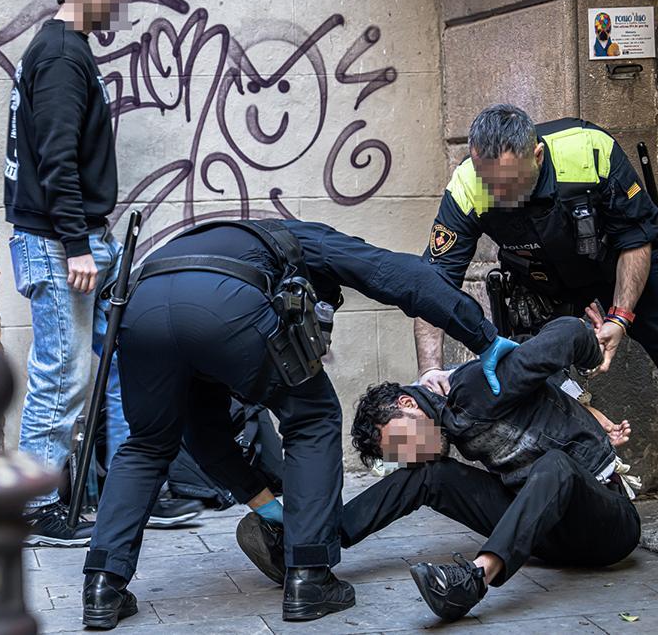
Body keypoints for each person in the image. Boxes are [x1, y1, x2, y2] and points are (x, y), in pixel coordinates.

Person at [80, 217, 519, 629]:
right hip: (225, 302)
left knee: (146, 445)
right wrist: (483, 337)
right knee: (312, 417)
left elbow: (204, 434)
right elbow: (402, 275)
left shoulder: (237, 242)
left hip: (141, 307)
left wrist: (264, 503)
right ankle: (310, 577)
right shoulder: (309, 241)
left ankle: (102, 587)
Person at [413, 104, 658, 516]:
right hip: (541, 276)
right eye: (490, 184)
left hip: (621, 259)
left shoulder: (589, 150)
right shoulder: (467, 184)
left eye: (510, 184)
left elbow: (636, 239)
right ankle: (538, 492)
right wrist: (430, 371)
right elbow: (432, 286)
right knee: (526, 378)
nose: (500, 196)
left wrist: (620, 316)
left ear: (538, 156)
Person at [236, 316, 640, 622]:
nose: (405, 455)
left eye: (398, 443)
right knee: (431, 474)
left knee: (555, 465)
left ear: (409, 405)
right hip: (543, 532)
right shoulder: (443, 411)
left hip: (606, 523)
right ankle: (308, 545)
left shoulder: (482, 386)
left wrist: (593, 359)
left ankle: (475, 579)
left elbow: (569, 332)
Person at [5, 0, 199, 547]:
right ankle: (35, 505)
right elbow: (57, 160)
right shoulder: (62, 56)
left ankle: (130, 493)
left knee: (117, 369)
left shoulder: (65, 48)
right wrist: (75, 246)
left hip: (77, 239)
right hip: (61, 244)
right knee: (62, 377)